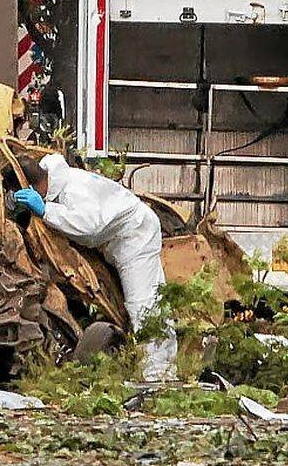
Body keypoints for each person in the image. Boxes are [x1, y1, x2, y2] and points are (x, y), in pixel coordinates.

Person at [13, 153, 177, 381]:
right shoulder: (61, 181)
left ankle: (157, 375)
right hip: (123, 238)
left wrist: (46, 211)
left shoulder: (73, 190)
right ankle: (162, 367)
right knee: (151, 301)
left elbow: (89, 227)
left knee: (143, 304)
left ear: (31, 186)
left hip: (135, 237)